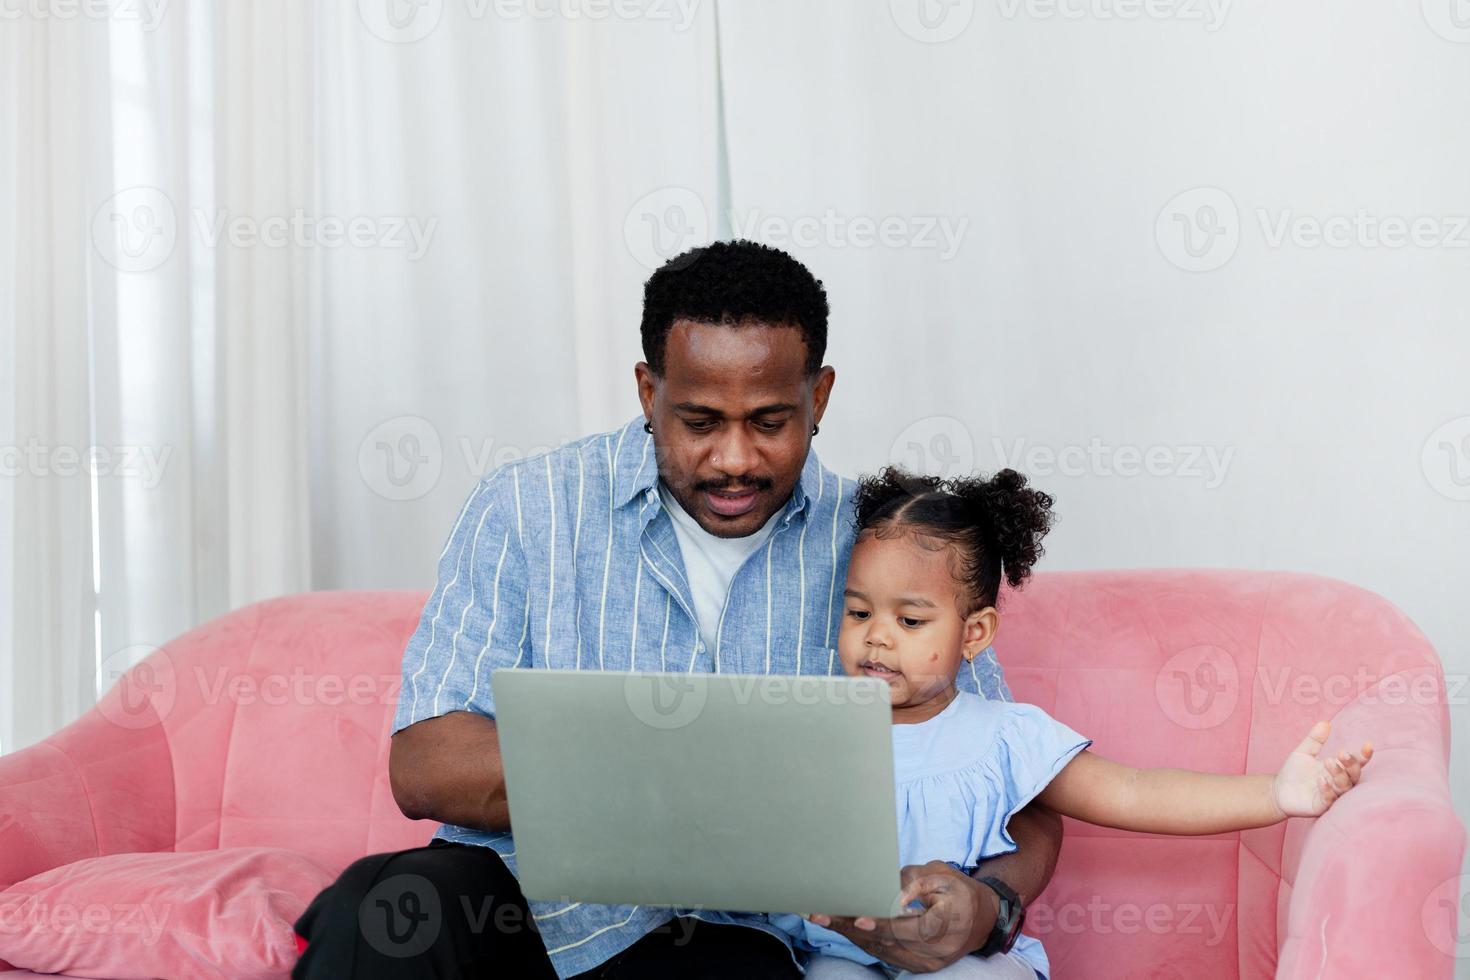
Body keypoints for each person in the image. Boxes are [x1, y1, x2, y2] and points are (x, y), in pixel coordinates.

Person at [291, 241, 1064, 979]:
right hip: (518, 905)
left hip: (736, 936)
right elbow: (424, 764)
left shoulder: (890, 549)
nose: (733, 459)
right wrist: (677, 780)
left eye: (769, 421)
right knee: (380, 909)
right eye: (698, 422)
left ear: (819, 396)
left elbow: (1017, 789)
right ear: (647, 390)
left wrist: (986, 907)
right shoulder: (527, 507)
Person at [786, 467, 1373, 979]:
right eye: (858, 611)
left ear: (974, 634)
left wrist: (1274, 793)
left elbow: (1134, 790)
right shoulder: (815, 729)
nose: (876, 635)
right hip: (848, 950)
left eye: (910, 620)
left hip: (965, 957)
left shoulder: (1005, 736)